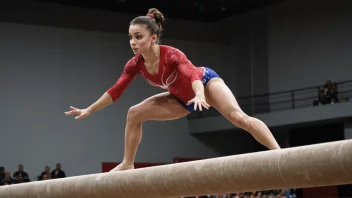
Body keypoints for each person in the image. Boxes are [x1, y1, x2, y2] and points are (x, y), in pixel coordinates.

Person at [65, 8, 281, 171]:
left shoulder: (172, 54)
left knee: (239, 118)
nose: (133, 42)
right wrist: (90, 109)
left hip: (205, 83)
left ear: (153, 38)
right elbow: (116, 90)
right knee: (134, 113)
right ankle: (128, 163)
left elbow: (191, 75)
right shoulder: (134, 65)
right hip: (181, 98)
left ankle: (281, 155)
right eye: (130, 37)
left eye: (138, 37)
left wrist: (199, 93)